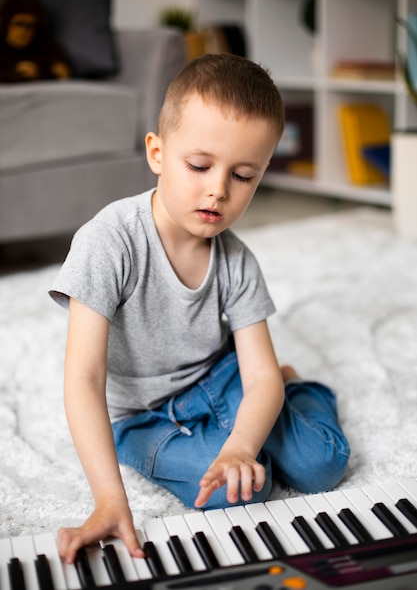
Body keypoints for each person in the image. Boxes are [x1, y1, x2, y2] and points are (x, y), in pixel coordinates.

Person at [50, 53, 350, 564]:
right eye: (199, 165)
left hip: (220, 379)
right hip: (143, 417)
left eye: (244, 175)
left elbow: (258, 379)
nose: (218, 189)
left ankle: (304, 389)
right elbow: (83, 376)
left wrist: (241, 444)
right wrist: (108, 499)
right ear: (158, 152)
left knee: (320, 464)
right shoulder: (109, 241)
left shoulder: (237, 259)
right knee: (243, 492)